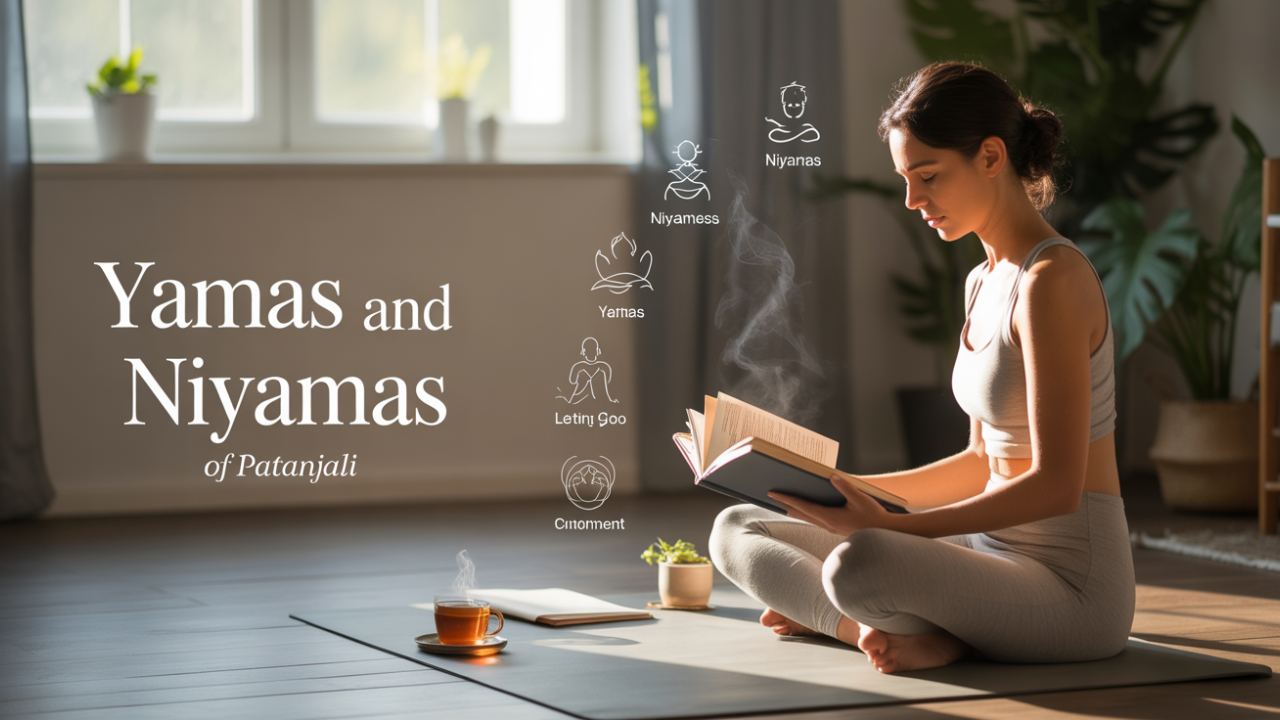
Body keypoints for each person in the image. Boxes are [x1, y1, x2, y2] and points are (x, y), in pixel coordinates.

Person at [709, 61, 1134, 674]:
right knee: (741, 525)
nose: (913, 200)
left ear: (991, 156)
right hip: (985, 554)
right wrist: (853, 494)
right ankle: (867, 629)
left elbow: (1057, 485)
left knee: (859, 563)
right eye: (905, 179)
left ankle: (897, 620)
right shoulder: (980, 281)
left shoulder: (1052, 281)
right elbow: (980, 462)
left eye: (927, 175)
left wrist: (897, 530)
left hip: (1070, 587)